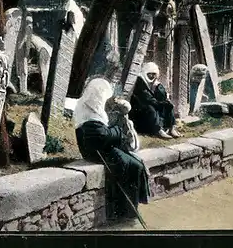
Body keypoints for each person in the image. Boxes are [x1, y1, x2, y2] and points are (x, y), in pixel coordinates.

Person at [73, 78, 150, 222]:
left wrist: (114, 130)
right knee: (130, 166)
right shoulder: (87, 109)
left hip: (101, 148)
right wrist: (118, 130)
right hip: (96, 152)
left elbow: (103, 132)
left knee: (137, 163)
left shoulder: (92, 107)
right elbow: (102, 136)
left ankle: (132, 205)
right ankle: (123, 213)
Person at [130, 62, 181, 139]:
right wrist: (160, 103)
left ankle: (171, 128)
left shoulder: (154, 82)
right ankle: (158, 130)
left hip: (151, 103)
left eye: (154, 74)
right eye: (150, 74)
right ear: (145, 73)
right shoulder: (140, 81)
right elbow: (146, 97)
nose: (152, 76)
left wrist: (159, 89)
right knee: (151, 108)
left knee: (168, 105)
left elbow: (161, 96)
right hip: (139, 109)